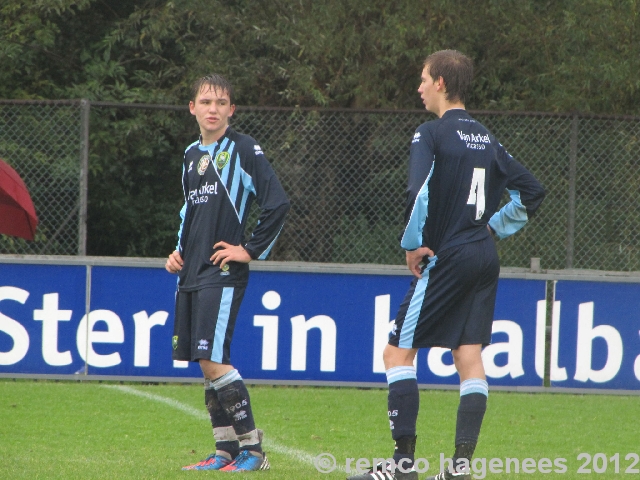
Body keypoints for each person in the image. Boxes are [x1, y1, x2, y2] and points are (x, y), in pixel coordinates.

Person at [347, 50, 545, 480]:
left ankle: (402, 467)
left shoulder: (430, 134)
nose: (418, 87)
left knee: (397, 353)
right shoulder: (488, 139)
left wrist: (413, 245)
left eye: (423, 79)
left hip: (448, 256)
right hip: (482, 256)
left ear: (440, 83)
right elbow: (533, 191)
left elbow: (417, 193)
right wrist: (491, 228)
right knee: (469, 356)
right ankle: (458, 471)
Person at [165, 74, 290, 472]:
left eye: (221, 103)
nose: (213, 109)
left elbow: (277, 203)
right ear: (193, 108)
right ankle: (225, 451)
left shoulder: (242, 149)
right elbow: (190, 212)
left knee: (214, 359)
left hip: (221, 271)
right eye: (206, 102)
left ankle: (253, 450)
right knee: (206, 360)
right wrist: (178, 250)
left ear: (231, 110)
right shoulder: (189, 156)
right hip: (192, 272)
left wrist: (249, 250)